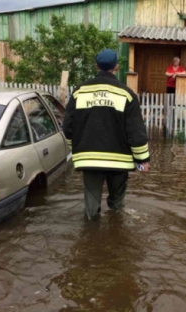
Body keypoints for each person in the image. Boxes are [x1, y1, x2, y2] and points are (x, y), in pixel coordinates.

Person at [63, 49, 150, 221]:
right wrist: (142, 160)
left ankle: (90, 238)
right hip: (119, 160)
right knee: (117, 206)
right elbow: (136, 131)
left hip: (88, 158)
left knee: (91, 207)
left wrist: (77, 150)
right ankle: (116, 231)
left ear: (96, 66)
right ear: (116, 66)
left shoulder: (80, 92)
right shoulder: (126, 94)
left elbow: (68, 127)